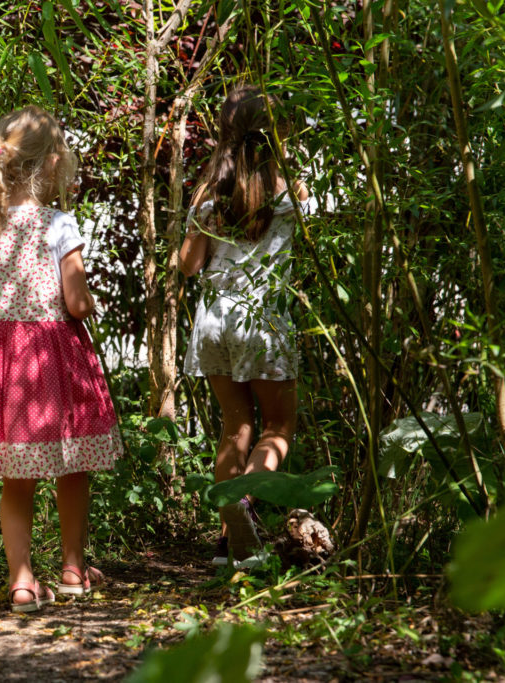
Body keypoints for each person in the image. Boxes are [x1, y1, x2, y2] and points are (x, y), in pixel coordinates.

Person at [0, 106, 123, 613]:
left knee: (18, 475)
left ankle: (21, 581)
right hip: (49, 361)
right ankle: (74, 569)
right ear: (52, 164)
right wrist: (89, 303)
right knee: (72, 464)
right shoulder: (58, 224)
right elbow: (76, 303)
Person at [179, 85, 311, 567]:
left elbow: (188, 265)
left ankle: (228, 541)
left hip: (214, 320)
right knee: (278, 425)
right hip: (264, 319)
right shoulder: (290, 184)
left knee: (235, 426)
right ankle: (245, 511)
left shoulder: (210, 189)